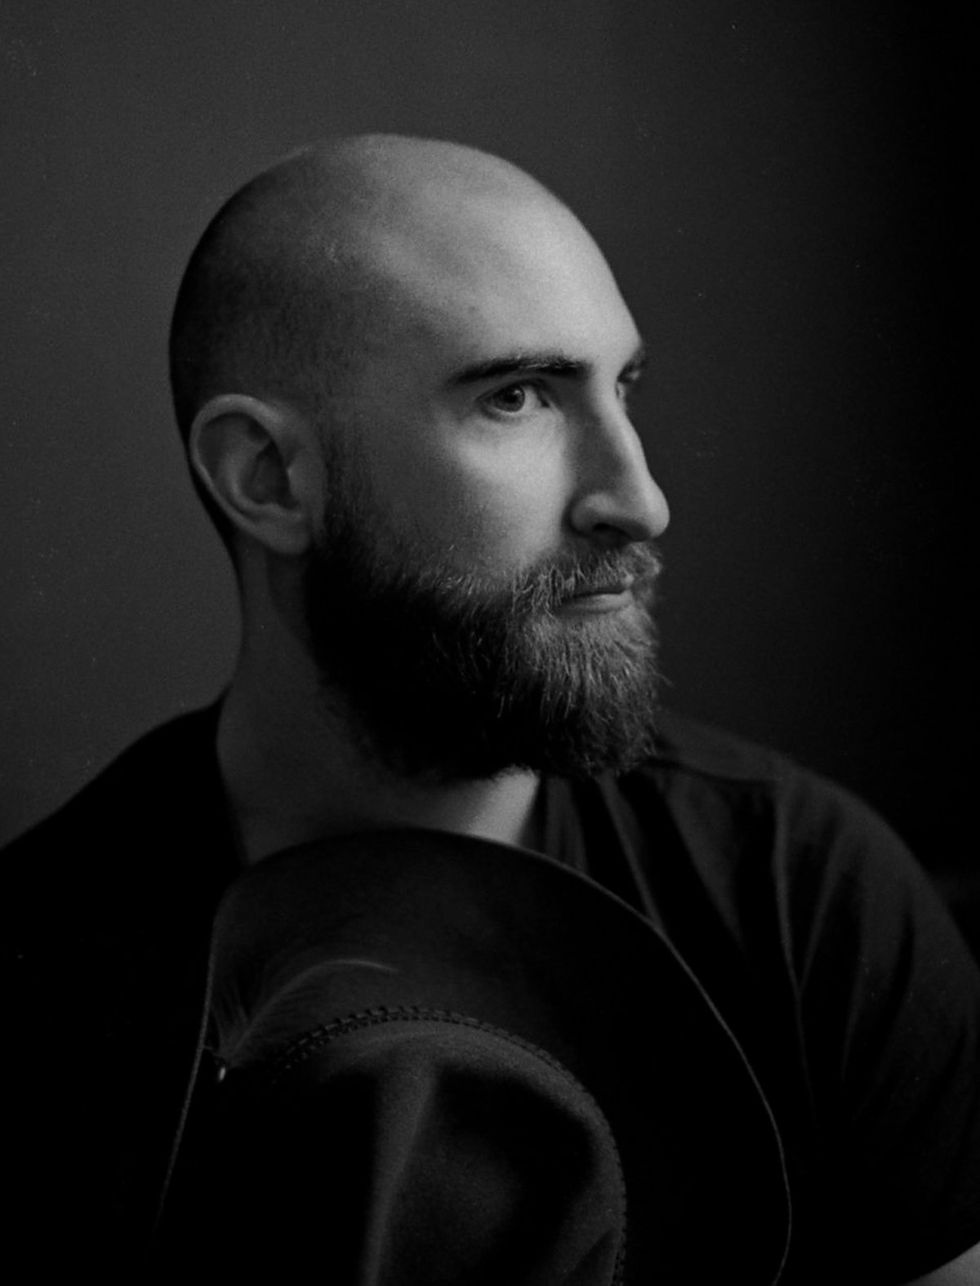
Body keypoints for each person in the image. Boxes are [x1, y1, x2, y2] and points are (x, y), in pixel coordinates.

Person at [7, 134, 979, 1284]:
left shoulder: (801, 892)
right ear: (268, 478)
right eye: (515, 396)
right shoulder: (36, 982)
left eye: (620, 386)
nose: (638, 498)